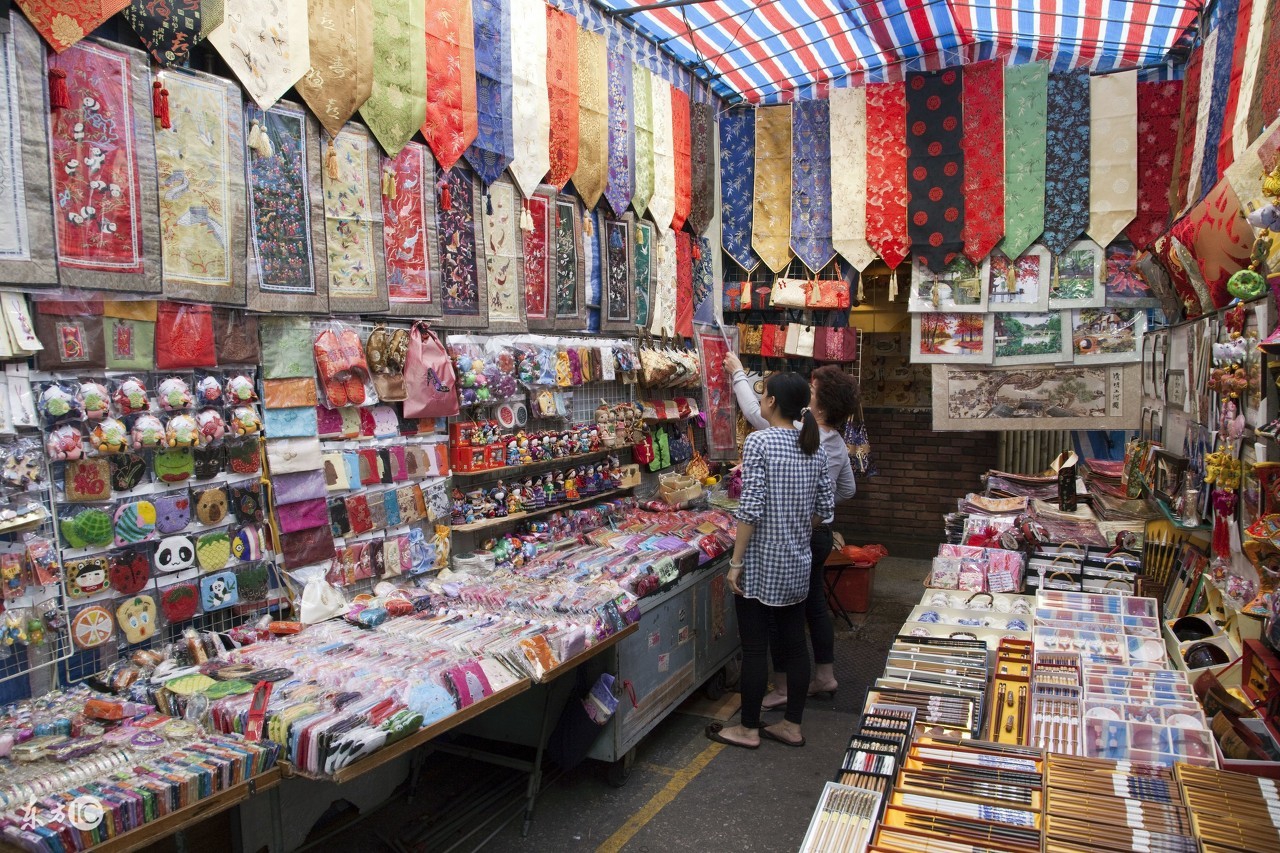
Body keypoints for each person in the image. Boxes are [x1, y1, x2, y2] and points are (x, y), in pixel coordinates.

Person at [705, 372, 834, 749]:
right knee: (795, 644)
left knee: (756, 646)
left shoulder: (760, 441)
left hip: (761, 564)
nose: (760, 401)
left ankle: (747, 728)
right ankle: (791, 725)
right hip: (797, 561)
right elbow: (824, 508)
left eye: (764, 395)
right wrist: (793, 527)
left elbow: (751, 508)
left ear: (773, 402)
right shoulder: (813, 444)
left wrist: (735, 562)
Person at [724, 355, 859, 708]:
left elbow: (757, 415)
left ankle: (779, 691)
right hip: (814, 536)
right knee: (811, 606)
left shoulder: (792, 436)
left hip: (783, 539)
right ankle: (822, 677)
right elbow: (845, 492)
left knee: (773, 619)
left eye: (814, 390)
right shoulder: (830, 443)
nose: (810, 394)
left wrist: (738, 373)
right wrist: (808, 515)